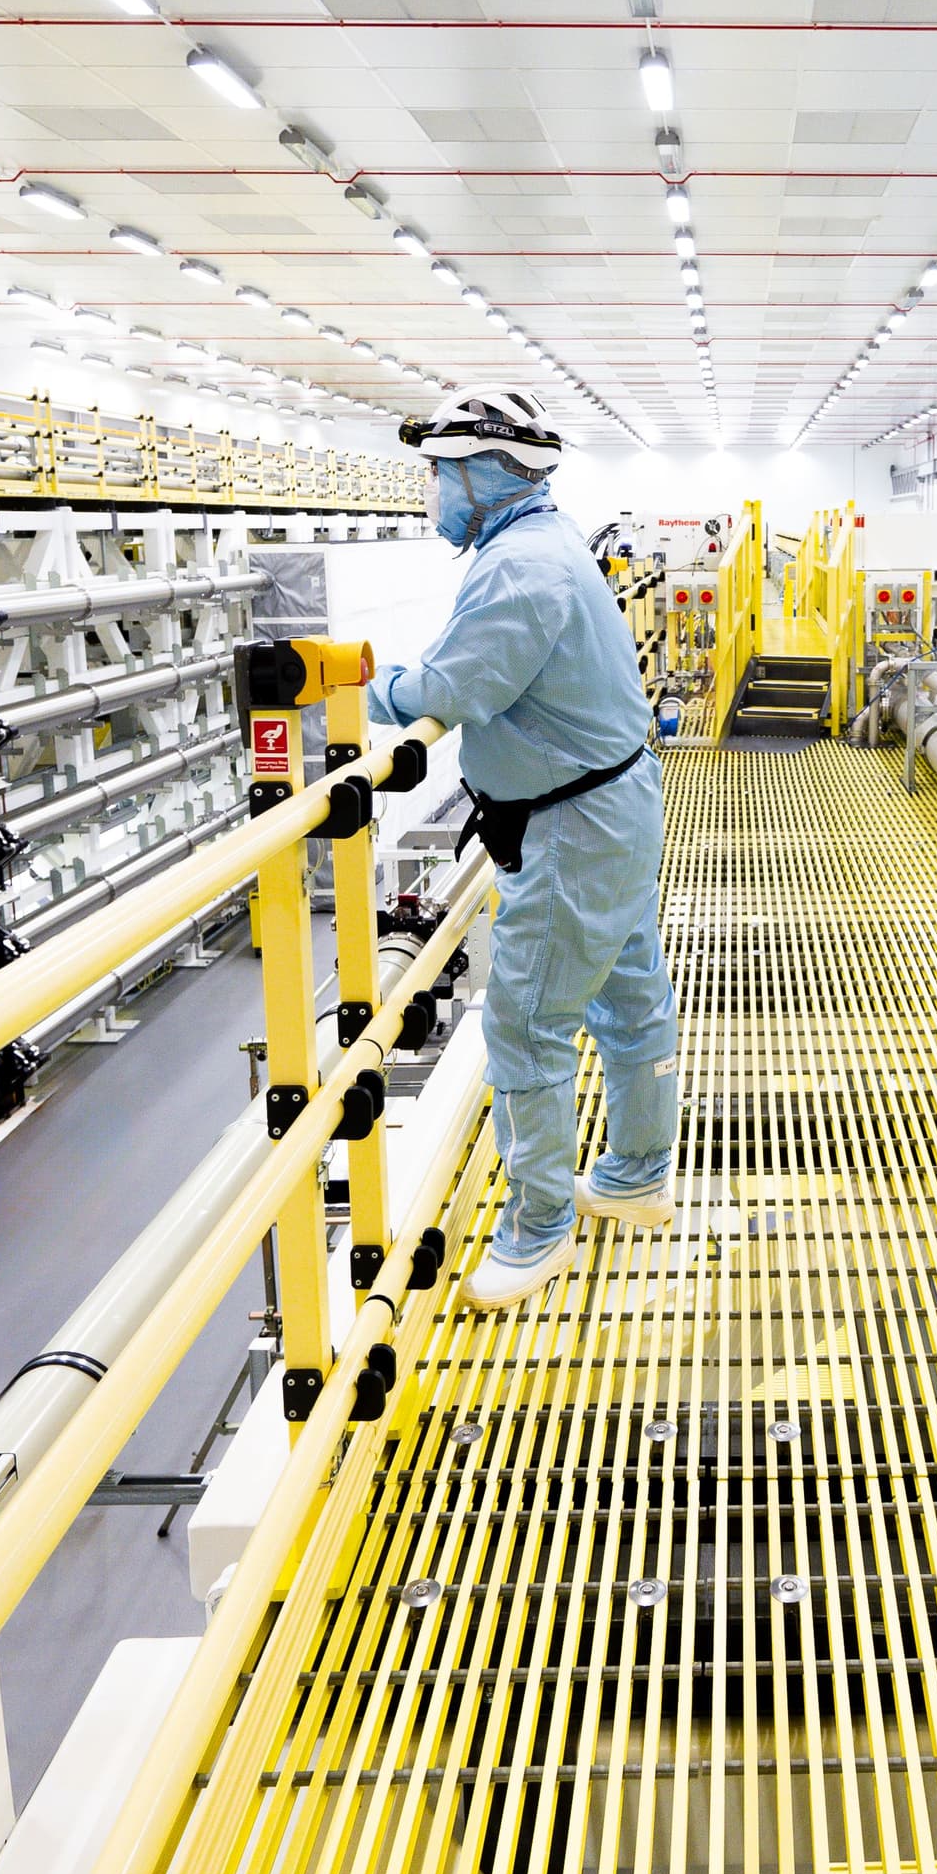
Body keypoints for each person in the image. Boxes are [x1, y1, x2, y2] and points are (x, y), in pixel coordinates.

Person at [379, 388, 679, 1308]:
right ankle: (635, 1173)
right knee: (629, 993)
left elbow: (451, 686)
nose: (433, 489)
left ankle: (538, 1228)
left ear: (484, 471)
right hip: (611, 809)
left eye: (440, 471)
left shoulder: (518, 570)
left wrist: (374, 681)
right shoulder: (541, 546)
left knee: (526, 1022)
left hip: (569, 831)